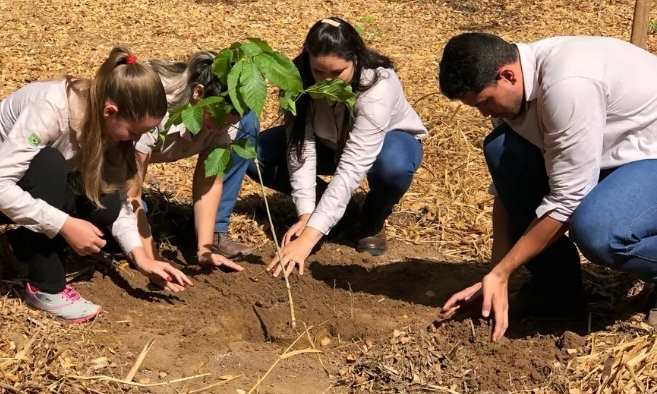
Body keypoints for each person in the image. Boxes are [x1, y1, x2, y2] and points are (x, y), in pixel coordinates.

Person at [438, 33, 657, 340]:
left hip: (650, 152)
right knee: (501, 149)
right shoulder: (513, 88)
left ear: (507, 75)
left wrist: (503, 273)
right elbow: (506, 191)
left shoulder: (566, 85)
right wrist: (494, 275)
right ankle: (557, 294)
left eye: (485, 102)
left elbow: (569, 200)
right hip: (611, 149)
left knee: (598, 231)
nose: (484, 113)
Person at [0, 47, 193, 323]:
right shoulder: (52, 107)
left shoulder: (111, 125)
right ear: (110, 111)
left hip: (22, 184)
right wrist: (65, 225)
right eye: (134, 132)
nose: (136, 140)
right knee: (48, 164)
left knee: (106, 208)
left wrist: (141, 257)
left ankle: (15, 246)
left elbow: (117, 194)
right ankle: (47, 288)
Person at [247, 17, 428, 277]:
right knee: (258, 153)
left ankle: (370, 222)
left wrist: (307, 241)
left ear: (355, 58)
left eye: (337, 73)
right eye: (319, 72)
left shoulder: (378, 84)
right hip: (328, 144)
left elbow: (354, 164)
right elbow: (301, 149)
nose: (326, 82)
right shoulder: (296, 82)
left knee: (393, 165)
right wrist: (307, 215)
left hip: (386, 144)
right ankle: (335, 213)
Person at [126, 52, 258, 278]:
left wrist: (204, 250)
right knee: (122, 226)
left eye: (226, 124)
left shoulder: (224, 117)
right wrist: (153, 260)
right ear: (198, 93)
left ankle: (211, 234)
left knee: (250, 123)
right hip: (110, 161)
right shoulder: (156, 106)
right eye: (215, 120)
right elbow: (132, 191)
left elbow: (210, 179)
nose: (218, 129)